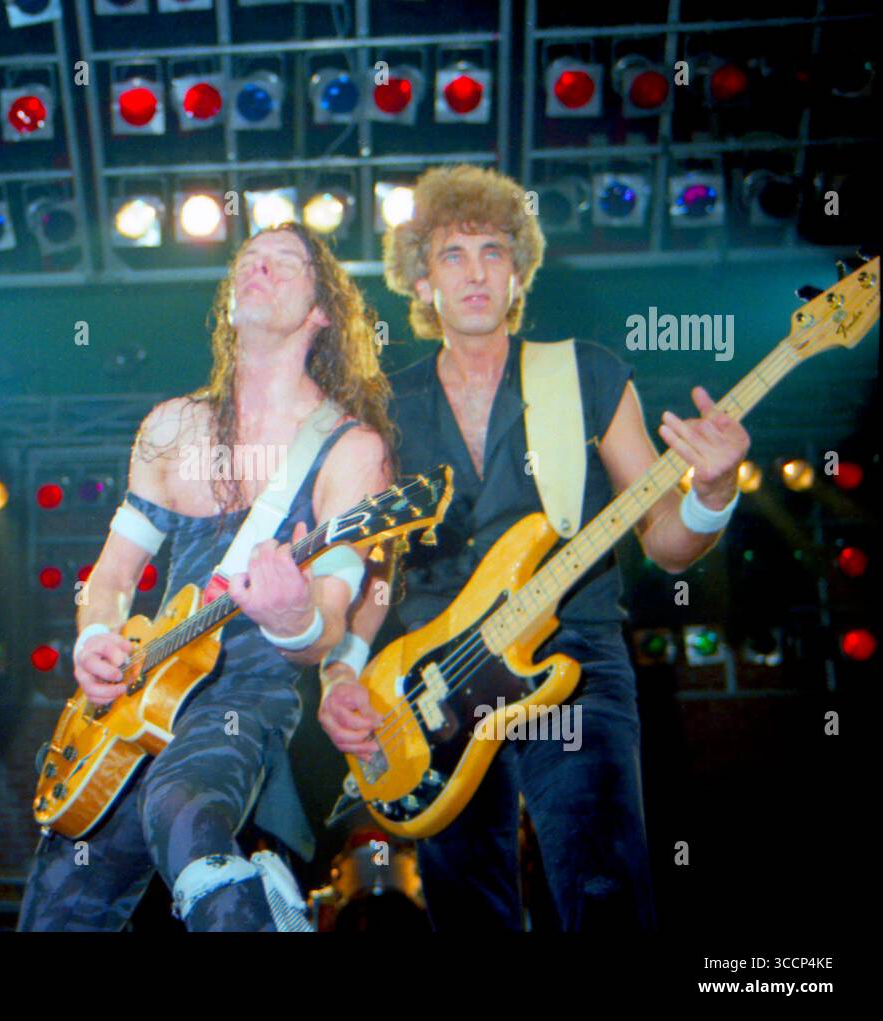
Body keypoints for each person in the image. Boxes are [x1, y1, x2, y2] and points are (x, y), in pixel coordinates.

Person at [316, 164, 751, 930]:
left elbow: (667, 541)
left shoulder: (584, 373)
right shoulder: (383, 405)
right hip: (431, 683)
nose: (476, 271)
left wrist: (712, 495)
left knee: (604, 893)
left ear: (518, 272)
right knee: (471, 913)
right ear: (421, 282)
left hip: (573, 657)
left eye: (492, 251)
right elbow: (373, 573)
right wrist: (338, 673)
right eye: (452, 255)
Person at [18, 223, 395, 932]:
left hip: (248, 691)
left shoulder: (353, 449)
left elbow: (331, 627)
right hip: (142, 696)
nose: (260, 266)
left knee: (181, 805)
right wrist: (96, 634)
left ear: (322, 312)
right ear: (227, 304)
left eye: (286, 263)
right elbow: (111, 575)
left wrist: (294, 617)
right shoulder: (170, 427)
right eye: (250, 259)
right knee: (59, 904)